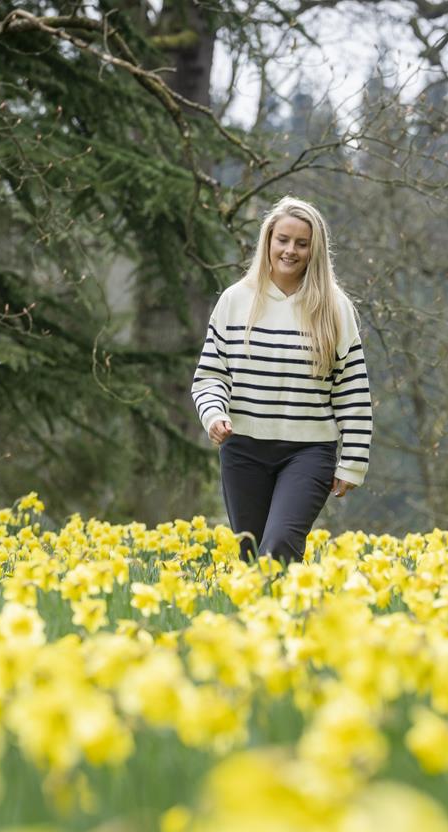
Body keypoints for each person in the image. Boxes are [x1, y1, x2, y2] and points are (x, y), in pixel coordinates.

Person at [191, 197, 372, 561]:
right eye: (283, 240)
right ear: (268, 241)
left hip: (308, 452)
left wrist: (353, 460)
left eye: (301, 244)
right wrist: (214, 414)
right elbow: (210, 375)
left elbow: (352, 391)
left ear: (314, 250)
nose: (290, 250)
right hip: (243, 448)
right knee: (250, 552)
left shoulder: (335, 308)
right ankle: (266, 618)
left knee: (279, 548)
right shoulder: (235, 300)